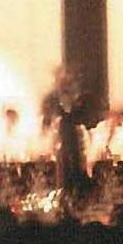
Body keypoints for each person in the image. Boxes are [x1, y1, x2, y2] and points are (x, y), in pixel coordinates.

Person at [41, 67, 93, 200]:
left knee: (76, 165)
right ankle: (62, 195)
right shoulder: (51, 99)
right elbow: (47, 120)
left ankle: (78, 194)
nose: (64, 82)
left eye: (67, 79)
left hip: (74, 137)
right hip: (60, 136)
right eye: (61, 79)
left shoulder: (80, 98)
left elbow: (86, 119)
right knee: (60, 167)